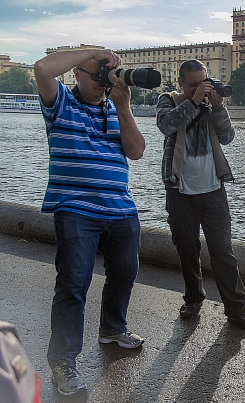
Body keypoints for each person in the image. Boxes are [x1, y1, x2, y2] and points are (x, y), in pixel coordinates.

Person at [34, 48, 146, 396]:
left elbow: (137, 150)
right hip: (76, 208)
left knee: (125, 272)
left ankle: (113, 328)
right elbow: (42, 67)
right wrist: (95, 53)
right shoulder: (60, 102)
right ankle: (63, 361)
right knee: (73, 284)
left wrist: (124, 106)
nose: (102, 78)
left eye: (107, 72)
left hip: (121, 208)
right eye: (95, 72)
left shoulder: (115, 109)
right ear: (76, 74)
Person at [156, 60, 245, 331]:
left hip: (213, 189)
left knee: (223, 252)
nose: (200, 88)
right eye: (193, 84)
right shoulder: (169, 100)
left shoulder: (213, 104)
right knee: (187, 249)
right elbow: (166, 125)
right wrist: (193, 101)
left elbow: (227, 137)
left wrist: (219, 106)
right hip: (180, 189)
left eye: (203, 82)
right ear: (180, 83)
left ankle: (237, 309)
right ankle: (193, 298)